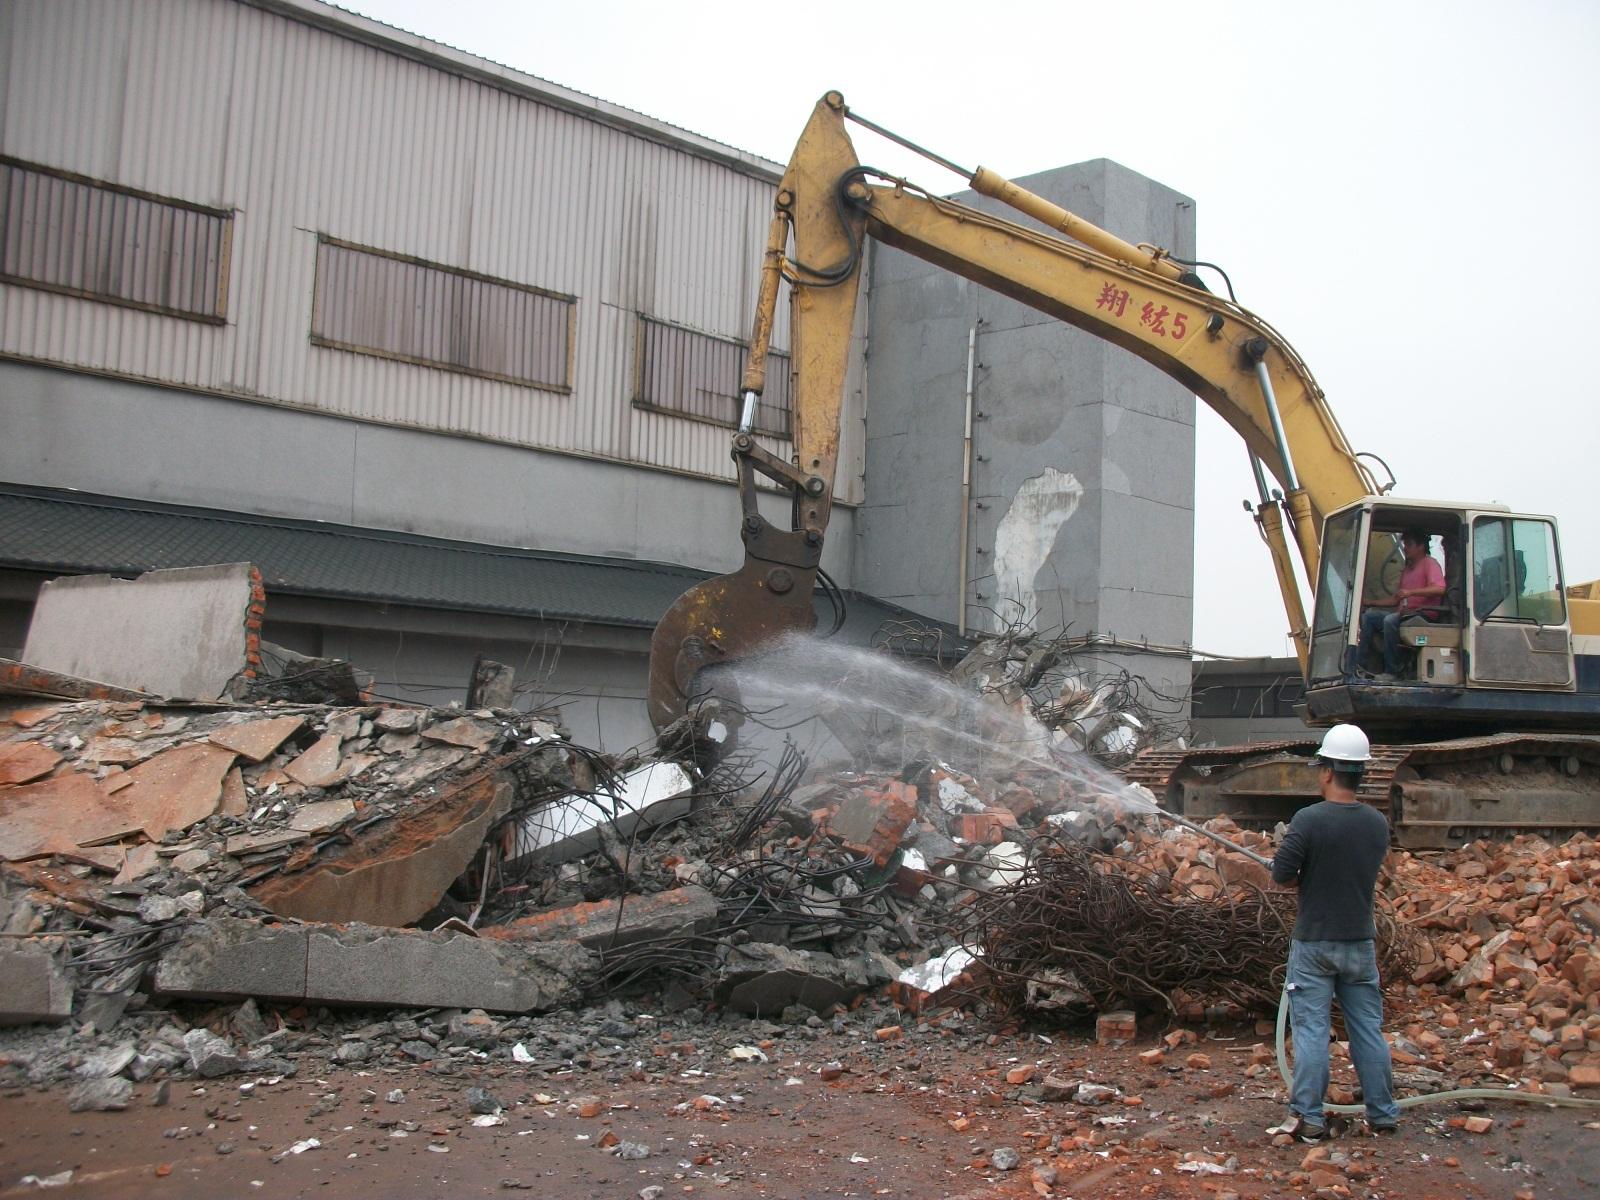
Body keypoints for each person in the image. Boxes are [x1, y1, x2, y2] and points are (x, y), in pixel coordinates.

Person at [1270, 724, 1400, 1141]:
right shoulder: (1376, 824)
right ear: (1360, 772)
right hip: (1359, 943)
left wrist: (1304, 873)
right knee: (1367, 1028)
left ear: (1327, 772)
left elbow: (1282, 878)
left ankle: (1308, 1118)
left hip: (1314, 943)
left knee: (1311, 1030)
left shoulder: (1308, 820)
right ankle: (1382, 1115)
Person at [1357, 529, 1446, 680]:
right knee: (1369, 617)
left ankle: (1392, 670)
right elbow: (1395, 600)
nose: (1405, 548)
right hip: (1404, 614)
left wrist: (1411, 593)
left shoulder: (1430, 564)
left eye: (1409, 544)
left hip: (1422, 615)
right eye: (1405, 544)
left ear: (1420, 546)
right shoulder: (1407, 570)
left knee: (1389, 620)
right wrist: (1369, 602)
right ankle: (1360, 664)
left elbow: (1439, 588)